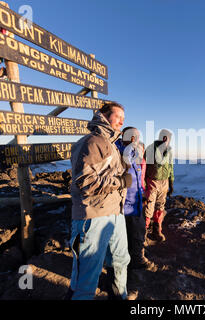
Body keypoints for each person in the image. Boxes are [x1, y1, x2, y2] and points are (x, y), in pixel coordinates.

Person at [66, 102, 132, 300]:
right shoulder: (92, 142)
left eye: (123, 118)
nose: (122, 121)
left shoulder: (111, 144)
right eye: (118, 116)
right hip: (92, 217)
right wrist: (120, 181)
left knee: (120, 260)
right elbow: (84, 182)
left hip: (114, 213)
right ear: (103, 116)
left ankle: (118, 295)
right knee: (87, 274)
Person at [115, 127, 153, 269]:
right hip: (123, 203)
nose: (138, 139)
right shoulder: (117, 151)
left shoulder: (133, 151)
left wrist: (142, 193)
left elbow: (138, 176)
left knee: (138, 230)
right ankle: (130, 262)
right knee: (124, 235)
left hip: (135, 201)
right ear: (132, 138)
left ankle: (136, 257)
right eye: (137, 136)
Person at [144, 129, 174, 242]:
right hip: (152, 181)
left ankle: (157, 231)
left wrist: (171, 182)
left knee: (160, 206)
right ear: (163, 138)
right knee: (149, 208)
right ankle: (144, 234)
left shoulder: (169, 150)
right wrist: (144, 183)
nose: (168, 141)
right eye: (166, 138)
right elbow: (144, 166)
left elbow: (170, 167)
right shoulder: (151, 149)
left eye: (169, 139)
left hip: (164, 182)